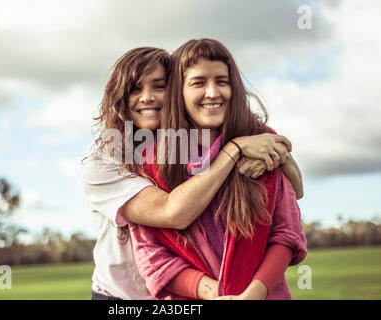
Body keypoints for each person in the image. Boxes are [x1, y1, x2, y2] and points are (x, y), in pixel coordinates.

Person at [82, 46, 302, 300]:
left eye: (159, 86)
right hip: (122, 297)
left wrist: (280, 159)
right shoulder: (103, 163)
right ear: (119, 97)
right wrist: (234, 150)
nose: (147, 98)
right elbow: (173, 212)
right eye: (135, 89)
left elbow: (290, 199)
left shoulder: (189, 146)